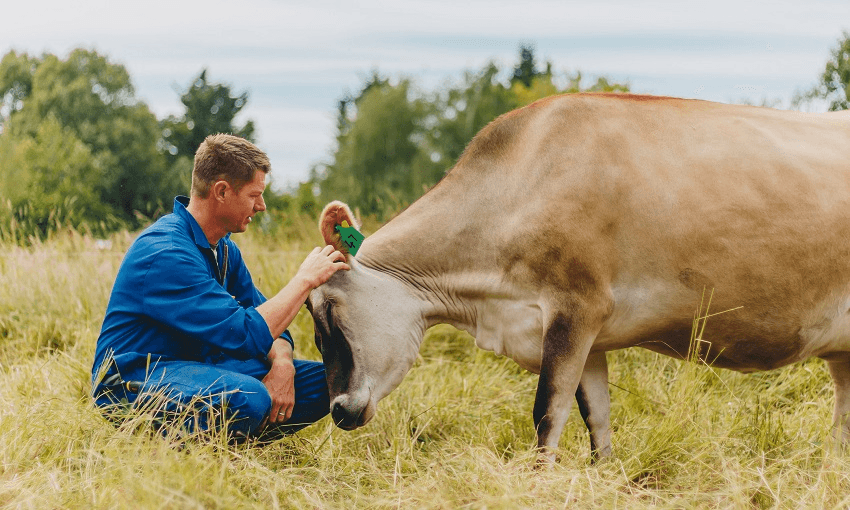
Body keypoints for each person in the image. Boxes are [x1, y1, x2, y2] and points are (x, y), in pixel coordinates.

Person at [90, 133, 349, 438]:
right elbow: (246, 334)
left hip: (195, 368)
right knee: (251, 397)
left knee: (331, 381)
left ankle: (236, 433)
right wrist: (305, 280)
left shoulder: (223, 249)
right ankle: (195, 451)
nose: (262, 206)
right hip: (134, 381)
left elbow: (267, 321)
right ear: (222, 192)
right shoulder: (167, 253)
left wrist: (282, 364)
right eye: (255, 195)